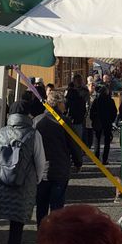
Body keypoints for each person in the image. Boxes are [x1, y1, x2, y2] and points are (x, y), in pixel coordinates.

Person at [0, 101, 46, 244]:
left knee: (13, 223)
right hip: (25, 185)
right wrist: (35, 180)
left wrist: (2, 173)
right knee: (17, 225)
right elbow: (40, 161)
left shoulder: (2, 132)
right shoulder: (33, 133)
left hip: (4, 184)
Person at [35, 90, 82, 225]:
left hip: (41, 170)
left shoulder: (37, 121)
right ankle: (54, 238)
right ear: (59, 104)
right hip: (60, 170)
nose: (65, 106)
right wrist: (78, 162)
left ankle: (42, 236)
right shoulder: (64, 122)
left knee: (41, 207)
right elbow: (74, 144)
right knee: (57, 208)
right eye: (63, 103)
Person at [89, 84, 118, 165]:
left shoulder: (96, 100)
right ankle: (105, 159)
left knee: (97, 141)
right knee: (107, 142)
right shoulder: (110, 101)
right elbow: (114, 112)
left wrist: (94, 120)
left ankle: (96, 159)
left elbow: (91, 112)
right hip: (107, 123)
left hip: (98, 123)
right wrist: (111, 120)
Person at [65, 73, 90, 149]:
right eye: (77, 80)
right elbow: (66, 103)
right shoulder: (69, 90)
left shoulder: (84, 90)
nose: (79, 82)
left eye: (80, 80)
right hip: (71, 116)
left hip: (80, 116)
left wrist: (85, 114)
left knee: (81, 134)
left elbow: (87, 103)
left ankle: (82, 149)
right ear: (74, 81)